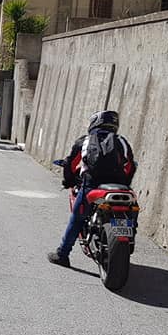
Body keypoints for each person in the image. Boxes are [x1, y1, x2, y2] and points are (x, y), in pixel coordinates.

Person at [48, 110, 136, 267]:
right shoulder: (121, 141)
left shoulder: (85, 141)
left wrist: (68, 181)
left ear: (94, 123)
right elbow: (130, 165)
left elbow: (71, 164)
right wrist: (124, 184)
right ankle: (129, 238)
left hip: (92, 186)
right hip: (119, 188)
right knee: (132, 210)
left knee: (77, 218)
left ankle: (62, 254)